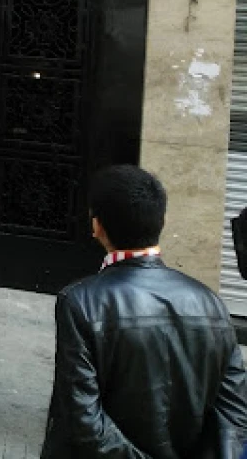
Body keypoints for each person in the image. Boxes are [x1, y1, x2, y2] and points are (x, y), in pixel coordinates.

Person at [42, 165, 247, 456]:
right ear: (162, 220)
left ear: (97, 225)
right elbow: (233, 413)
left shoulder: (80, 302)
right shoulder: (210, 302)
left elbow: (82, 419)